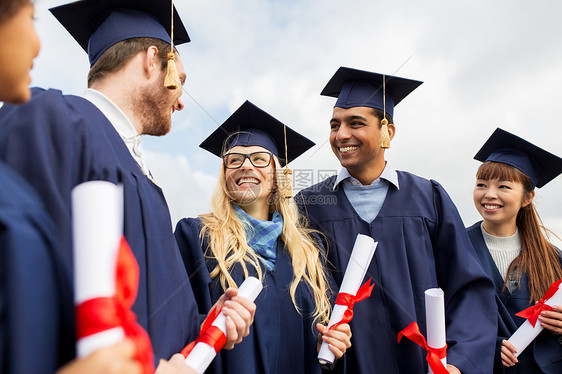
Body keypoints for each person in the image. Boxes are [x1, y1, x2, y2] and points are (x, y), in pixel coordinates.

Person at [0, 0, 255, 366]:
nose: (181, 101)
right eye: (179, 81)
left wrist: (205, 323)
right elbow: (22, 292)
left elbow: (145, 312)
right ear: (153, 60)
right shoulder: (51, 119)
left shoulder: (146, 177)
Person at [295, 66, 497, 373]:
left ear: (387, 132)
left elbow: (467, 288)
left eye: (356, 123)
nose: (341, 135)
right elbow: (299, 294)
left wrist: (459, 364)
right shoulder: (309, 206)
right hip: (344, 365)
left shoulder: (428, 196)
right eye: (335, 125)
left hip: (424, 364)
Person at [174, 100, 352, 374]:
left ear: (277, 175)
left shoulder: (308, 252)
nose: (246, 167)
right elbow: (174, 323)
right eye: (234, 160)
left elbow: (324, 336)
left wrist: (329, 346)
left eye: (259, 159)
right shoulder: (197, 237)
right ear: (224, 175)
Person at [467, 127, 562, 373]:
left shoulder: (552, 259)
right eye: (481, 184)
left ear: (528, 197)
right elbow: (440, 317)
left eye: (504, 187)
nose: (489, 194)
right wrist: (485, 345)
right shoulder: (456, 248)